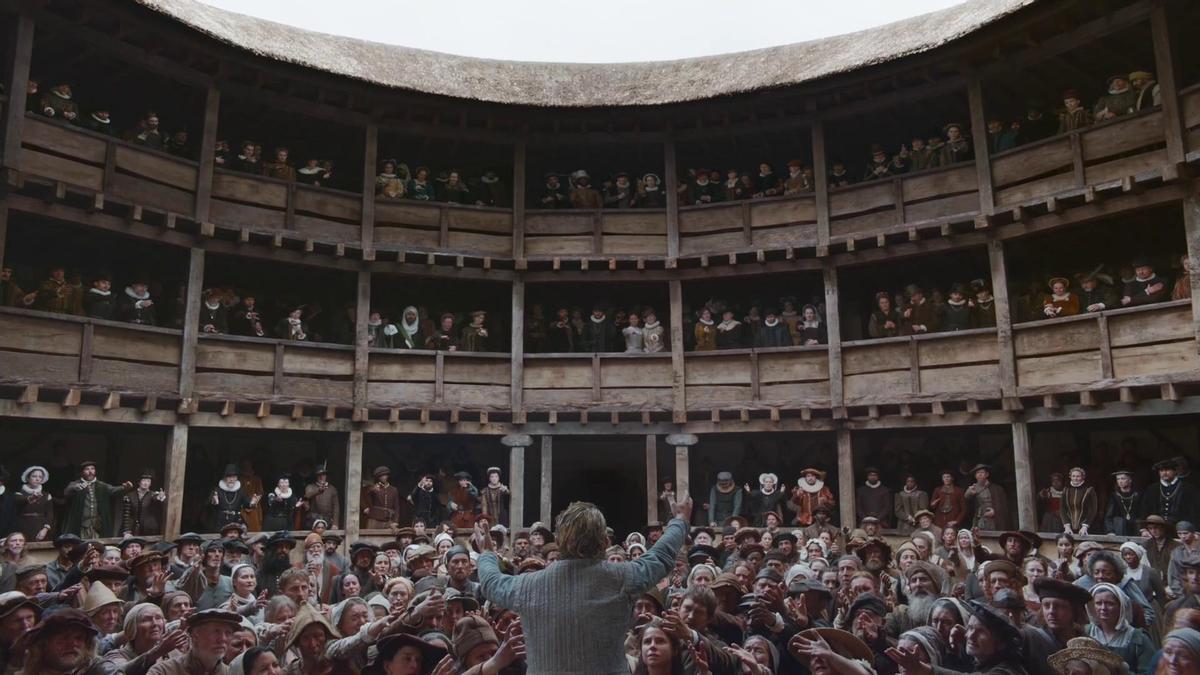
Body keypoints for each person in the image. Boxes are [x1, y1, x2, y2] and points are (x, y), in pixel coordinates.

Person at [476, 495, 692, 675]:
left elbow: (490, 582)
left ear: (559, 542)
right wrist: (680, 520)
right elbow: (661, 556)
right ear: (605, 543)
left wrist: (486, 554)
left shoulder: (526, 586)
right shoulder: (624, 577)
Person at [62, 461, 132, 540]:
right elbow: (67, 492)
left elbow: (113, 489)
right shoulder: (75, 484)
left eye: (92, 469)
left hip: (96, 526)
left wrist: (124, 487)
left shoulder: (101, 485)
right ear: (82, 472)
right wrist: (75, 488)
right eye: (87, 469)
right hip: (81, 525)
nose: (90, 471)